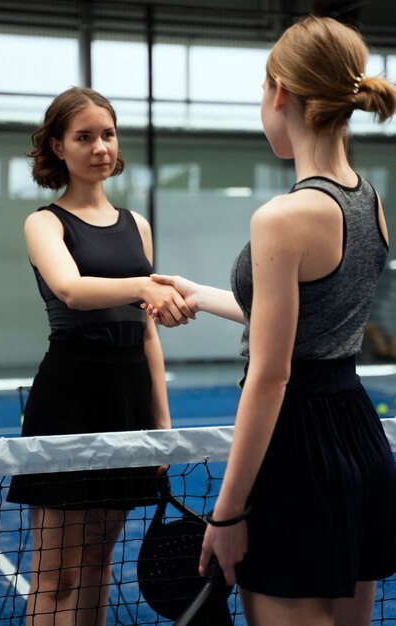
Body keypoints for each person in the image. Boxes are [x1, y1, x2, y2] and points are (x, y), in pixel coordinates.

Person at [144, 15, 396, 626]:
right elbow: (309, 320)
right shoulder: (369, 199)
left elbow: (272, 373)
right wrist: (200, 294)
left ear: (280, 93)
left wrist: (226, 515)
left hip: (298, 452)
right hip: (358, 441)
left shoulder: (282, 217)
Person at [6, 86, 193, 626]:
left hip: (128, 395)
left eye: (107, 135)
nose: (99, 147)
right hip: (69, 397)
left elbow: (147, 330)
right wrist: (145, 285)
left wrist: (162, 423)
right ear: (58, 147)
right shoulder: (44, 222)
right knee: (53, 574)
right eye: (83, 137)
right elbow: (71, 289)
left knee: (96, 562)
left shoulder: (138, 225)